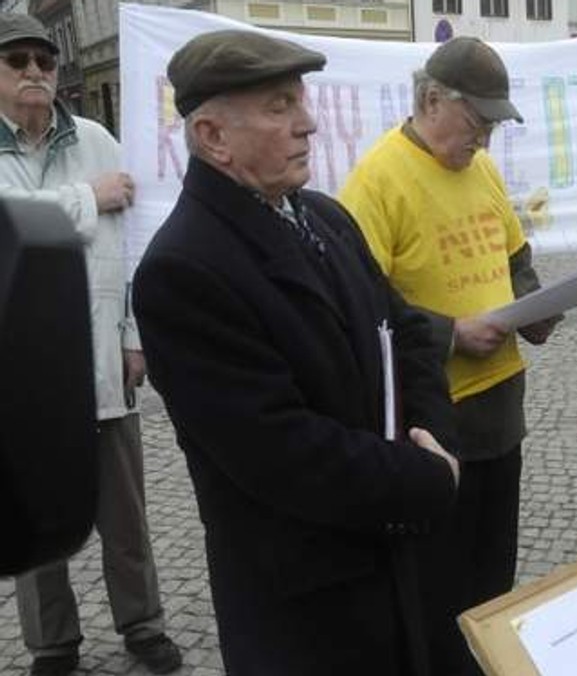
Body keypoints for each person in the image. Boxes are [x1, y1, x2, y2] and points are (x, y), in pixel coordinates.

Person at [132, 30, 461, 675]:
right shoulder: (182, 270)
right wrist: (427, 479)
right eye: (279, 106)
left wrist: (435, 435)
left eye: (300, 101)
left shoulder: (322, 216)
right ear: (213, 138)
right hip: (306, 606)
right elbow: (283, 453)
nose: (308, 123)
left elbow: (409, 335)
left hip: (392, 567)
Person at [339, 35, 558, 675]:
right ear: (432, 98)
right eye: (477, 122)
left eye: (492, 125)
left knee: (494, 578)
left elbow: (518, 263)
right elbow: (359, 309)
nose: (484, 141)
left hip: (499, 415)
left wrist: (537, 307)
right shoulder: (376, 180)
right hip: (433, 425)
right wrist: (449, 334)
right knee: (438, 593)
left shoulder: (483, 171)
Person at [0, 13, 181, 676]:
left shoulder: (100, 140)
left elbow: (134, 247)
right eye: (16, 60)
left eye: (43, 62)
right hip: (22, 374)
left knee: (125, 518)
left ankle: (143, 623)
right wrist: (87, 198)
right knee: (33, 512)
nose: (33, 73)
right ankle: (52, 642)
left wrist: (136, 336)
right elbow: (9, 226)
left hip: (104, 359)